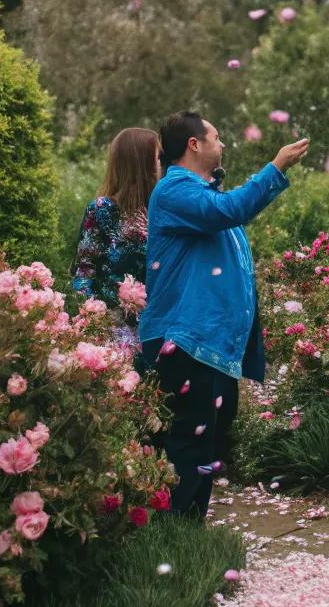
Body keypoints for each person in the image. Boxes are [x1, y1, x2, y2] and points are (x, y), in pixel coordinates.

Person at [139, 111, 309, 518]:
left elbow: (226, 213)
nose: (224, 144)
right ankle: (172, 531)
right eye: (216, 136)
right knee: (188, 443)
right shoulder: (174, 191)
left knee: (208, 446)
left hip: (209, 346)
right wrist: (276, 167)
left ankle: (187, 531)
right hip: (183, 340)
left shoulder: (205, 197)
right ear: (194, 145)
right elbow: (230, 210)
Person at [71, 126, 161, 351]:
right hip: (112, 331)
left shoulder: (162, 211)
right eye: (158, 157)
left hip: (157, 329)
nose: (162, 164)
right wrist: (95, 324)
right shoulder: (103, 210)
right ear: (141, 162)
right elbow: (84, 272)